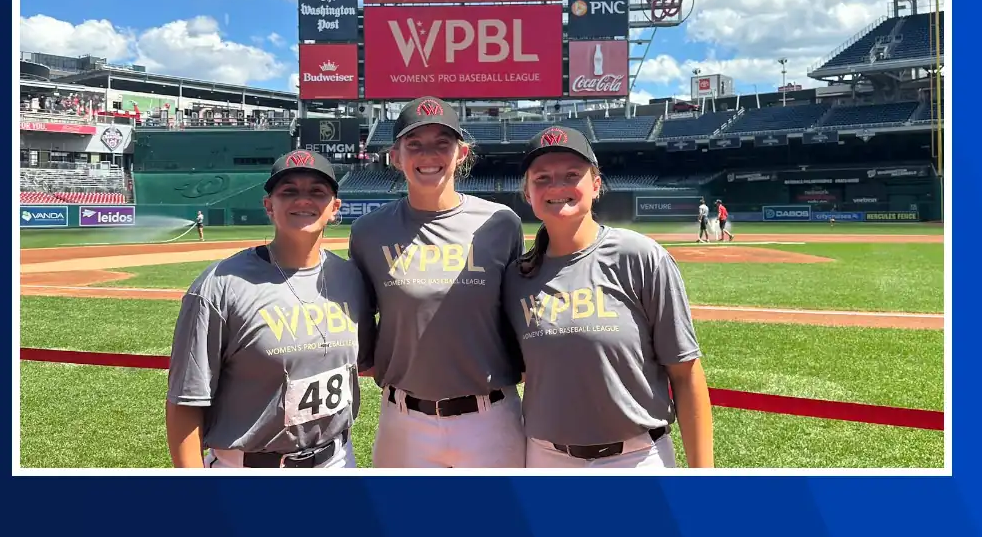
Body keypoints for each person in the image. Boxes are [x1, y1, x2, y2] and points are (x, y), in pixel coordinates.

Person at [503, 126, 714, 469]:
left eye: (572, 174)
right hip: (547, 459)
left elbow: (687, 375)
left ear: (596, 184)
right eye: (542, 178)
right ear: (527, 192)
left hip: (637, 459)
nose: (557, 186)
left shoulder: (640, 257)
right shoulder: (517, 278)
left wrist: (704, 480)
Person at [165, 149, 373, 469]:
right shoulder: (220, 285)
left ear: (335, 208)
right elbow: (185, 401)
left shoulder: (350, 278)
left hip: (338, 461)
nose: (302, 200)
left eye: (317, 191)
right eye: (288, 191)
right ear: (269, 206)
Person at [348, 96, 527, 468]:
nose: (428, 155)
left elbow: (518, 318)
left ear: (462, 153)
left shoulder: (500, 223)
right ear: (395, 156)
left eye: (441, 143)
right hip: (404, 420)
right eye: (414, 145)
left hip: (490, 418)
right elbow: (363, 330)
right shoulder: (368, 231)